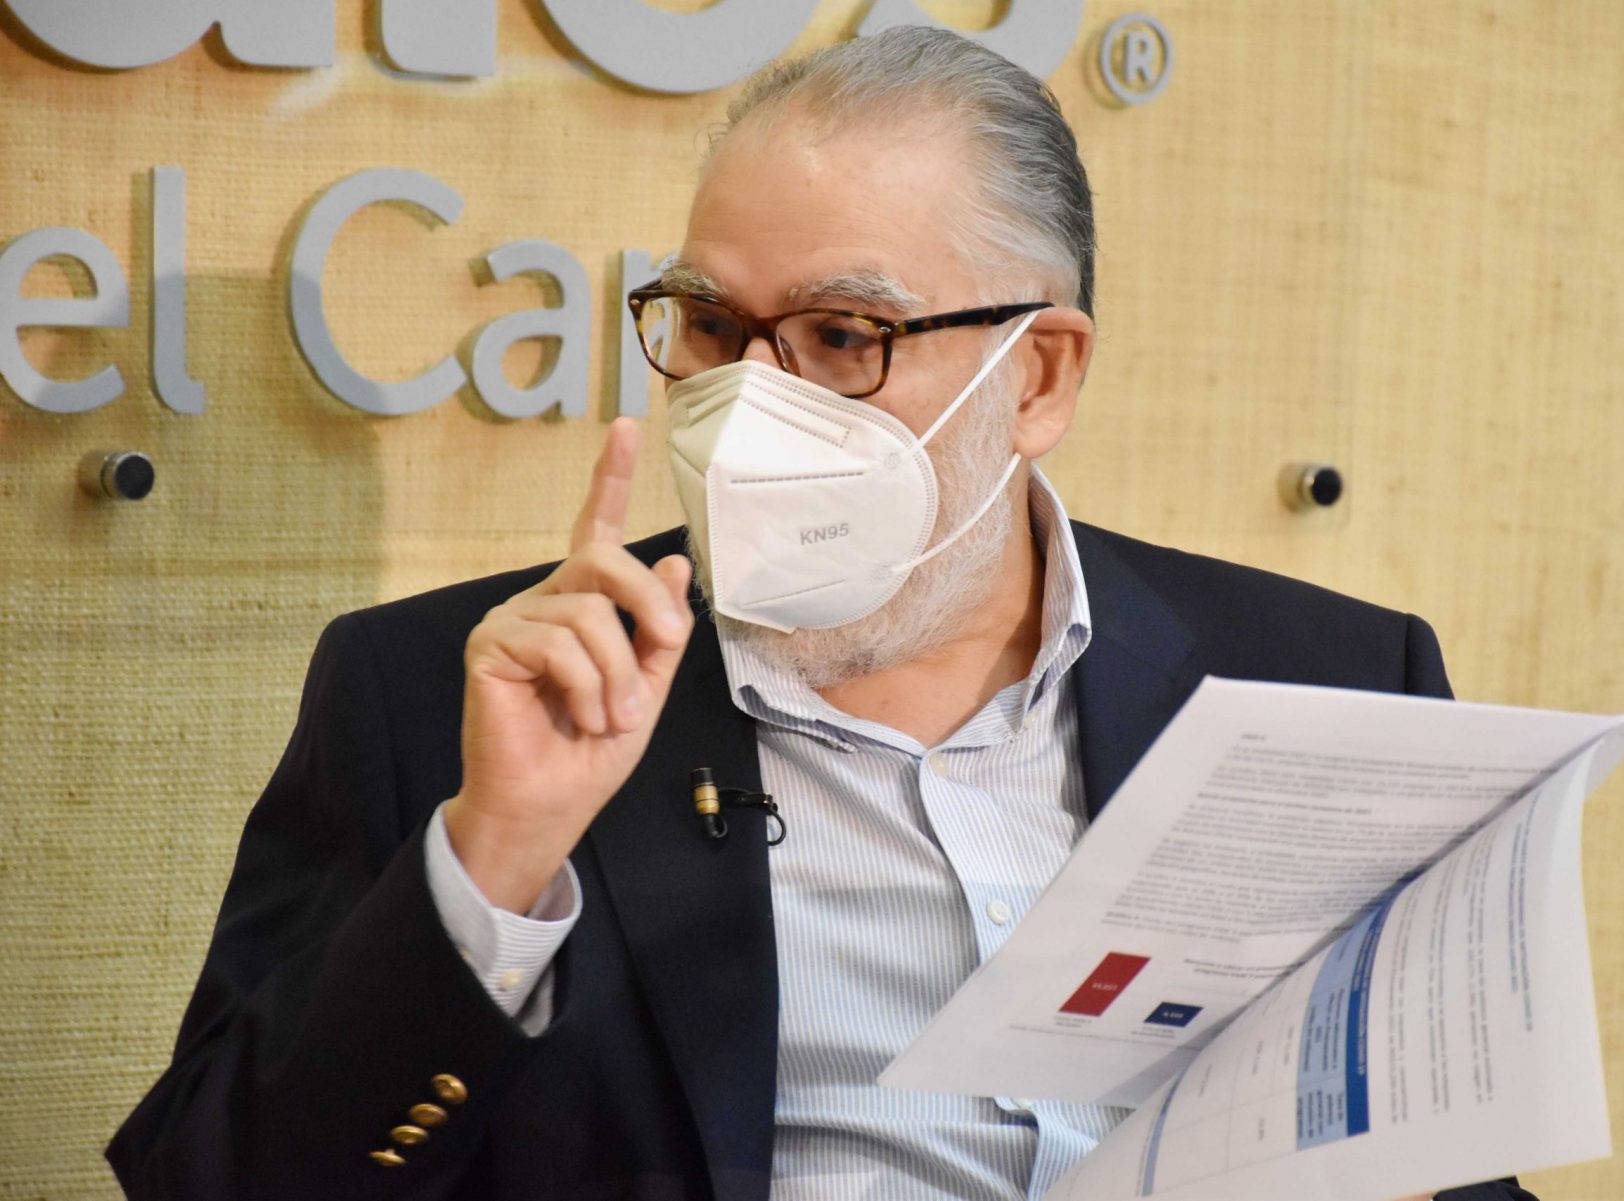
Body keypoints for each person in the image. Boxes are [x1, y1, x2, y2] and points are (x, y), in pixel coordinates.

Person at [109, 27, 1533, 1201]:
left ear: (1038, 377)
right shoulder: (457, 696)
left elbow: (1455, 1168)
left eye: (844, 337)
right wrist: (494, 863)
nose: (749, 408)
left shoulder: (1335, 679)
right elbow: (212, 1184)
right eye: (712, 327)